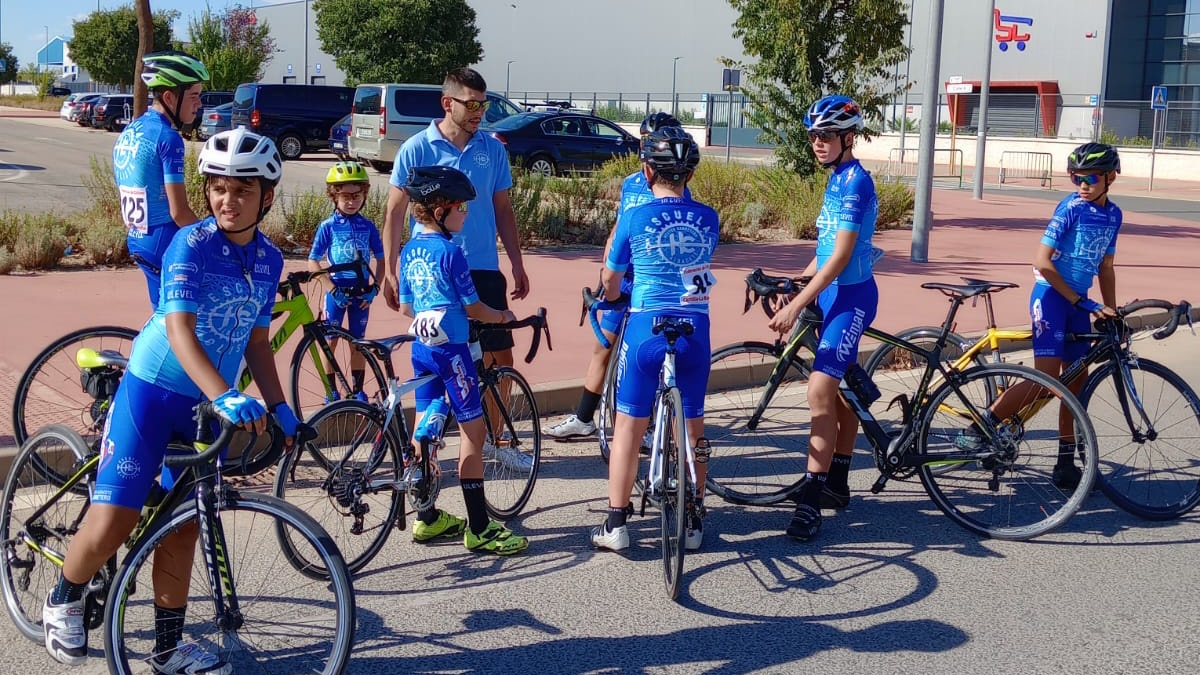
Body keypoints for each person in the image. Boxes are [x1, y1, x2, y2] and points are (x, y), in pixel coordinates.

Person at [42, 128, 300, 673]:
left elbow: (256, 342)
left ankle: (167, 648)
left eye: (243, 191)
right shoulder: (192, 244)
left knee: (183, 527)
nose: (228, 201)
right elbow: (180, 330)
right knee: (116, 518)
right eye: (219, 188)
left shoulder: (270, 259)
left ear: (268, 196)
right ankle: (63, 597)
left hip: (203, 407)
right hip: (153, 391)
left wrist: (280, 407)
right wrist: (226, 395)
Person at [955, 143, 1123, 488]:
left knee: (1074, 385)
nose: (1082, 184)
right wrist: (1084, 302)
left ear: (1111, 177)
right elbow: (1042, 262)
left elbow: (1106, 267)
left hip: (1079, 304)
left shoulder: (1114, 215)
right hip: (1051, 297)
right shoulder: (1071, 208)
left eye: (1090, 177)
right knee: (1046, 380)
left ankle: (1064, 464)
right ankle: (981, 425)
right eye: (1076, 177)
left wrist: (1112, 309)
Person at [590, 127, 718, 552]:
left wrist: (610, 296)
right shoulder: (709, 217)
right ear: (689, 175)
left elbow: (611, 279)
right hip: (695, 328)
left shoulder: (634, 216)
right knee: (694, 426)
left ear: (647, 171)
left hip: (647, 323)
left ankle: (616, 524)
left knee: (629, 423)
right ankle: (696, 517)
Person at [396, 165, 530, 556]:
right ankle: (480, 527)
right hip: (452, 350)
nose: (466, 214)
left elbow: (406, 307)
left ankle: (427, 516)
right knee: (474, 434)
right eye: (461, 208)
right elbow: (473, 308)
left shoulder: (409, 251)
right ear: (439, 209)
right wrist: (503, 316)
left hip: (421, 348)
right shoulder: (451, 252)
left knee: (426, 427)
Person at [765, 95, 879, 542]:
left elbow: (842, 258)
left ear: (848, 138)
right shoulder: (835, 180)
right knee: (840, 392)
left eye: (826, 135)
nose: (817, 142)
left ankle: (811, 498)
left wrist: (796, 306)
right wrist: (792, 283)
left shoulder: (856, 183)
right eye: (813, 135)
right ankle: (837, 482)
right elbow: (822, 254)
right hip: (829, 293)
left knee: (818, 390)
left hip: (851, 298)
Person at [545, 111, 693, 440]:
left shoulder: (679, 185)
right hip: (624, 276)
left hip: (654, 282)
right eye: (643, 141)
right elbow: (618, 228)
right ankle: (585, 418)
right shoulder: (631, 183)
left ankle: (653, 423)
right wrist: (605, 271)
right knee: (603, 346)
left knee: (649, 353)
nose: (646, 148)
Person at [381, 68, 529, 375]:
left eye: (483, 105)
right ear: (448, 103)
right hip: (434, 270)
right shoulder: (416, 148)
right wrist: (389, 271)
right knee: (441, 362)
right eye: (472, 104)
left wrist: (516, 262)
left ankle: (492, 425)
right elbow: (395, 213)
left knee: (500, 363)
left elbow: (503, 208)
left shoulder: (492, 149)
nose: (480, 112)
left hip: (483, 266)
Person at [112, 50, 209, 307]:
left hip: (138, 237)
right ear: (169, 97)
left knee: (165, 324)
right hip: (165, 238)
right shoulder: (169, 138)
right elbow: (179, 213)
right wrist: (214, 236)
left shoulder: (131, 130)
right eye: (194, 96)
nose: (199, 104)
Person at [308, 161, 385, 402]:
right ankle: (331, 391)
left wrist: (375, 289)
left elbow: (381, 260)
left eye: (357, 195)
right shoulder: (327, 227)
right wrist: (331, 289)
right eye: (345, 196)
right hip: (336, 293)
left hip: (361, 293)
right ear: (334, 195)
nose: (351, 201)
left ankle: (357, 389)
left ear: (364, 194)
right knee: (329, 342)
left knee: (357, 343)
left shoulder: (368, 226)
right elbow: (313, 262)